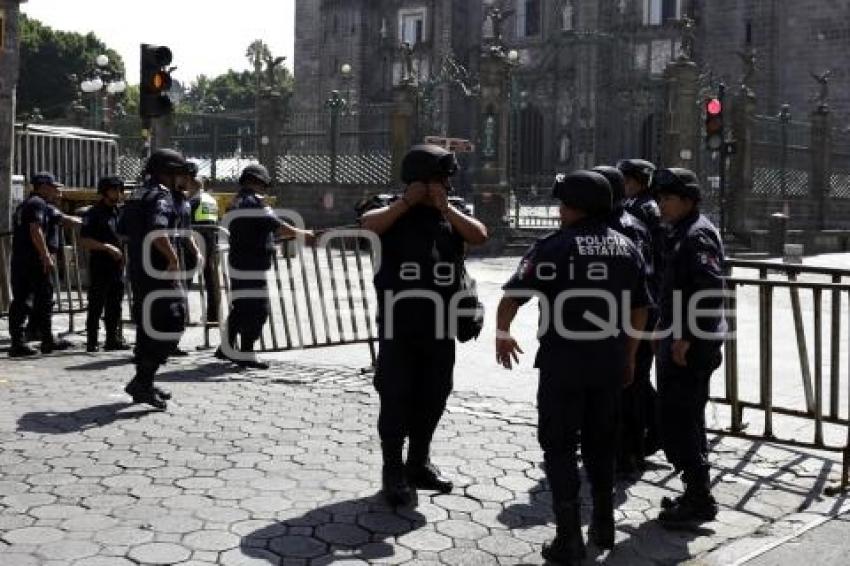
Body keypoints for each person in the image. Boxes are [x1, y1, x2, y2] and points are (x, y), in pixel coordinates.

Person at [496, 171, 650, 564]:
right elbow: (640, 308)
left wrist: (503, 332)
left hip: (564, 365)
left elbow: (514, 295)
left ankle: (569, 539)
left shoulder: (554, 246)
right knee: (601, 443)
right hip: (609, 364)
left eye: (563, 205)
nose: (559, 211)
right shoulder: (627, 247)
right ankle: (603, 524)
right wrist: (630, 357)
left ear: (574, 207)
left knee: (560, 446)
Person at [360, 144, 488, 507]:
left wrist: (446, 208)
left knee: (434, 395)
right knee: (396, 394)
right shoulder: (387, 207)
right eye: (439, 179)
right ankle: (392, 471)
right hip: (399, 324)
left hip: (441, 324)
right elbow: (368, 227)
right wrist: (406, 202)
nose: (445, 185)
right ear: (419, 180)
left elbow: (480, 235)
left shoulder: (451, 210)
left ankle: (419, 463)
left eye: (446, 180)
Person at [652, 168, 725, 529]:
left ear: (688, 201)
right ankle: (695, 490)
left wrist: (686, 337)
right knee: (684, 421)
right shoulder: (680, 231)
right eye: (660, 198)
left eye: (667, 199)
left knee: (678, 421)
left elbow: (710, 292)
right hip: (678, 337)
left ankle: (699, 498)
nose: (661, 205)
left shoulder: (697, 236)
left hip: (690, 345)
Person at [215, 164, 316, 370]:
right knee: (258, 310)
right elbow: (275, 224)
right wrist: (302, 233)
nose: (265, 189)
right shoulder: (253, 202)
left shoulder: (237, 201)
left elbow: (262, 229)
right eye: (263, 185)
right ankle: (245, 354)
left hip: (240, 262)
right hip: (251, 265)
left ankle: (226, 347)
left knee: (241, 307)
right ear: (257, 182)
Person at [117, 149, 195, 410]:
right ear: (169, 172)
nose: (183, 179)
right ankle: (142, 381)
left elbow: (123, 230)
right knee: (170, 322)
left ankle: (144, 382)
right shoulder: (160, 196)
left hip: (141, 271)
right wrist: (172, 259)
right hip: (159, 272)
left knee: (148, 325)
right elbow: (158, 231)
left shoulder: (139, 194)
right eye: (180, 173)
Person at [593, 165, 656, 477]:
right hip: (637, 316)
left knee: (624, 389)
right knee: (634, 387)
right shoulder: (635, 223)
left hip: (621, 320)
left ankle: (623, 453)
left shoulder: (614, 228)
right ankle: (631, 451)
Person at [618, 158, 665, 462]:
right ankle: (652, 431)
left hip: (642, 301)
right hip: (654, 298)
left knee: (632, 376)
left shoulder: (636, 211)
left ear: (634, 180)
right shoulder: (655, 206)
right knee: (639, 375)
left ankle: (644, 438)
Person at [8, 172, 80, 357]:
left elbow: (61, 220)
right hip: (33, 260)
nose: (56, 190)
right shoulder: (36, 204)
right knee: (38, 300)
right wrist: (45, 255)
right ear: (43, 186)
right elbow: (35, 230)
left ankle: (31, 340)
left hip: (24, 260)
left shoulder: (30, 205)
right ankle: (37, 341)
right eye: (53, 187)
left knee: (28, 300)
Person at [79, 176, 130, 352]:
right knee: (96, 304)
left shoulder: (119, 212)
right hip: (100, 265)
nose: (118, 194)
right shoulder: (93, 213)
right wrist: (106, 247)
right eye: (114, 190)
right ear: (104, 191)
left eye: (120, 190)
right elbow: (84, 240)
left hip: (117, 266)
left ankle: (112, 339)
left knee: (115, 305)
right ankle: (92, 341)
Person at [186, 166, 221, 324]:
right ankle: (213, 315)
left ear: (193, 185)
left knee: (184, 279)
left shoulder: (193, 201)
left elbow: (186, 222)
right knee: (211, 281)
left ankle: (180, 314)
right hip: (210, 242)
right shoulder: (211, 199)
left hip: (194, 243)